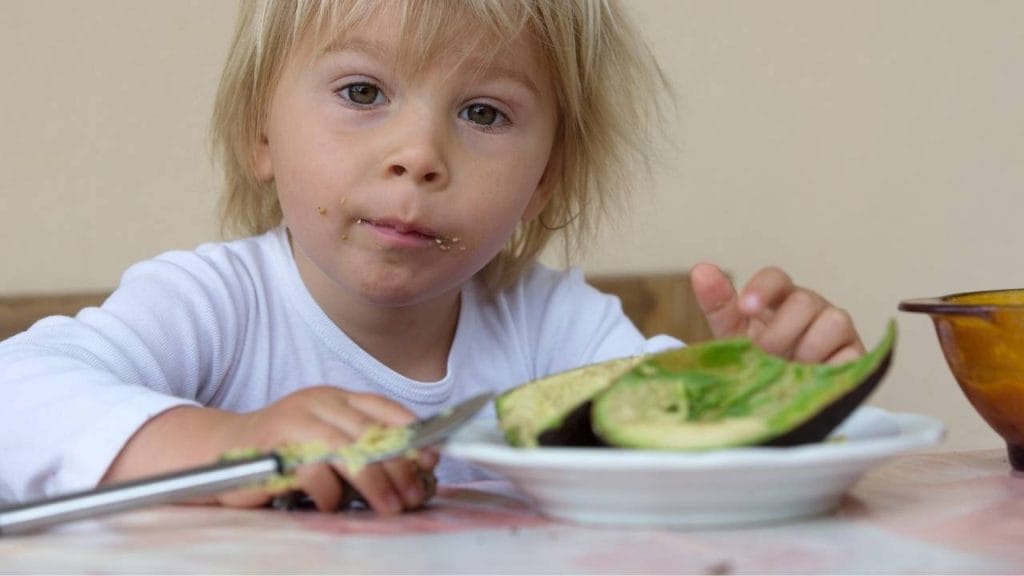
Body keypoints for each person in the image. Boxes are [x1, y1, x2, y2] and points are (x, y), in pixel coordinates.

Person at [0, 0, 864, 516]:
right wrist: (228, 444)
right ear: (259, 134)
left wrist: (769, 397)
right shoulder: (218, 301)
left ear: (545, 180)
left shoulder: (552, 323)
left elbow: (684, 449)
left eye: (484, 113)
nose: (419, 154)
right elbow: (17, 393)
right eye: (364, 92)